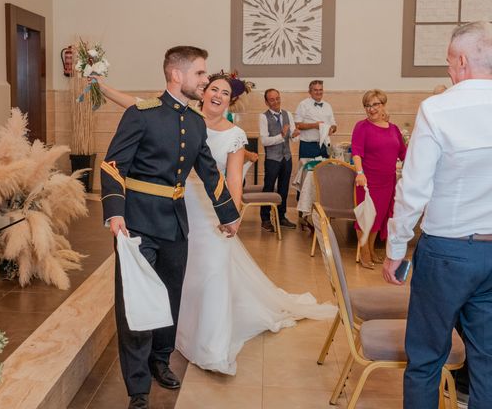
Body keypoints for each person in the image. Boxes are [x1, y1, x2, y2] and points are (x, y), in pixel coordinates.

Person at [98, 71, 337, 377]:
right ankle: (171, 339)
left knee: (208, 278)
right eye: (214, 89)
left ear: (230, 100)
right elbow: (139, 105)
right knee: (177, 281)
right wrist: (104, 89)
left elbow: (233, 179)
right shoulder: (180, 117)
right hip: (176, 212)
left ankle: (207, 344)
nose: (219, 96)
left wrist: (232, 215)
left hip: (210, 214)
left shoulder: (233, 135)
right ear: (203, 92)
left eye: (225, 93)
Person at [101, 46, 241, 409]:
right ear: (177, 75)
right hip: (137, 224)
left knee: (170, 297)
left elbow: (209, 170)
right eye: (200, 73)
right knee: (134, 304)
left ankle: (160, 360)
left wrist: (228, 214)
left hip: (176, 225)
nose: (205, 80)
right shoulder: (141, 114)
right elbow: (113, 165)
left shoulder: (195, 122)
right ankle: (137, 388)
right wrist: (115, 213)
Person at [383, 21, 492, 409]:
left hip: (447, 251)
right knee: (488, 360)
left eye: (448, 62)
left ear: (462, 61)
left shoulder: (437, 108)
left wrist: (396, 248)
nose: (448, 71)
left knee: (426, 357)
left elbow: (413, 190)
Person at [352, 89, 406, 269]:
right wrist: (360, 173)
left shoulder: (394, 129)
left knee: (379, 217)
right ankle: (364, 253)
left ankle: (372, 249)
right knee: (366, 217)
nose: (371, 109)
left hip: (387, 181)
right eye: (367, 105)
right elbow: (357, 152)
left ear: (383, 105)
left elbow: (404, 153)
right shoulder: (362, 126)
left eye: (375, 104)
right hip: (368, 181)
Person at [258, 88, 300, 231]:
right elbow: (264, 141)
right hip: (272, 159)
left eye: (277, 98)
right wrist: (281, 136)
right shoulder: (263, 117)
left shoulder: (288, 114)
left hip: (286, 157)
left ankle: (281, 217)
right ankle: (265, 219)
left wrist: (295, 135)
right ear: (266, 102)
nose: (276, 101)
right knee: (268, 188)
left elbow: (293, 138)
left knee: (284, 188)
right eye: (272, 99)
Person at [294, 80, 337, 158]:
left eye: (320, 90)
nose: (318, 92)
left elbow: (334, 124)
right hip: (308, 146)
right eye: (315, 90)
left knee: (325, 169)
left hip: (325, 145)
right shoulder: (303, 105)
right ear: (309, 92)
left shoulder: (328, 106)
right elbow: (297, 125)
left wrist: (332, 129)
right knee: (307, 169)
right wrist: (314, 125)